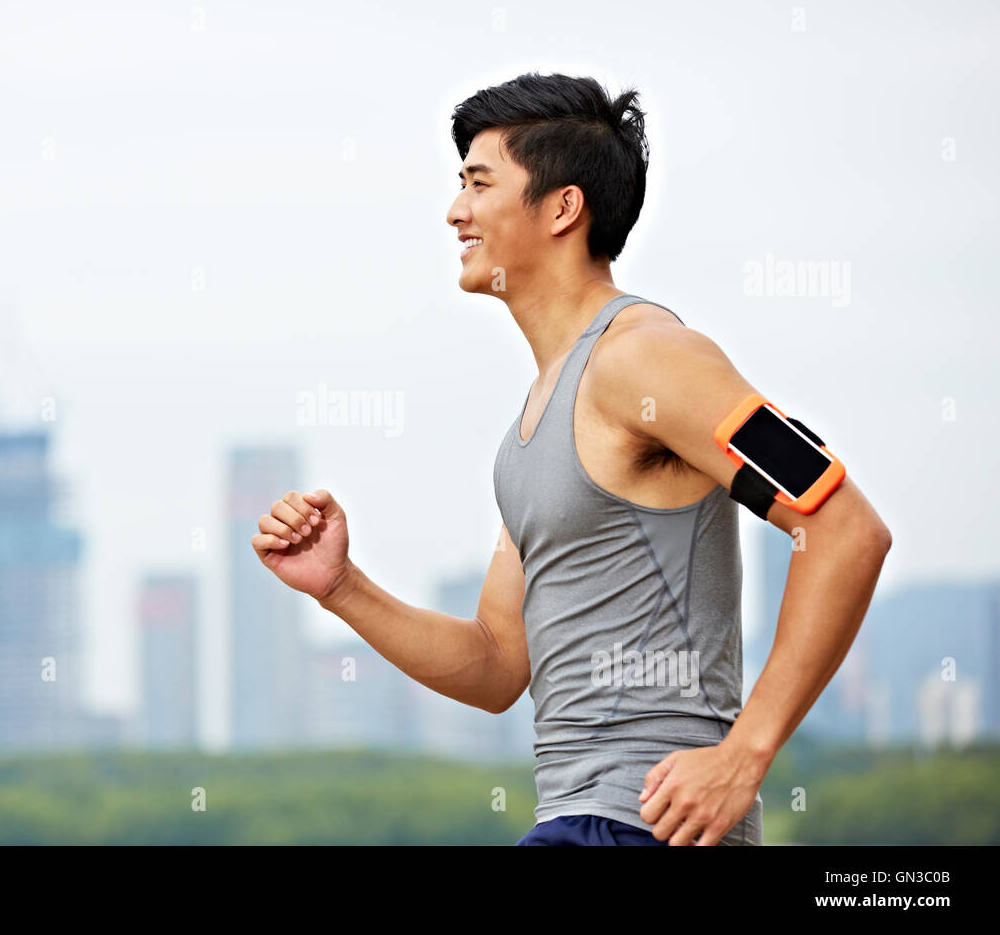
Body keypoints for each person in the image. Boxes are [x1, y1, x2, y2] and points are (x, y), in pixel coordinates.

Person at [251, 72, 892, 846]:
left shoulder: (650, 359)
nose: (455, 211)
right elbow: (495, 665)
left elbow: (845, 529)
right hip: (572, 820)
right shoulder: (532, 424)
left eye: (478, 183)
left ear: (562, 206)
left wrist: (743, 755)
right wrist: (341, 587)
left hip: (643, 822)